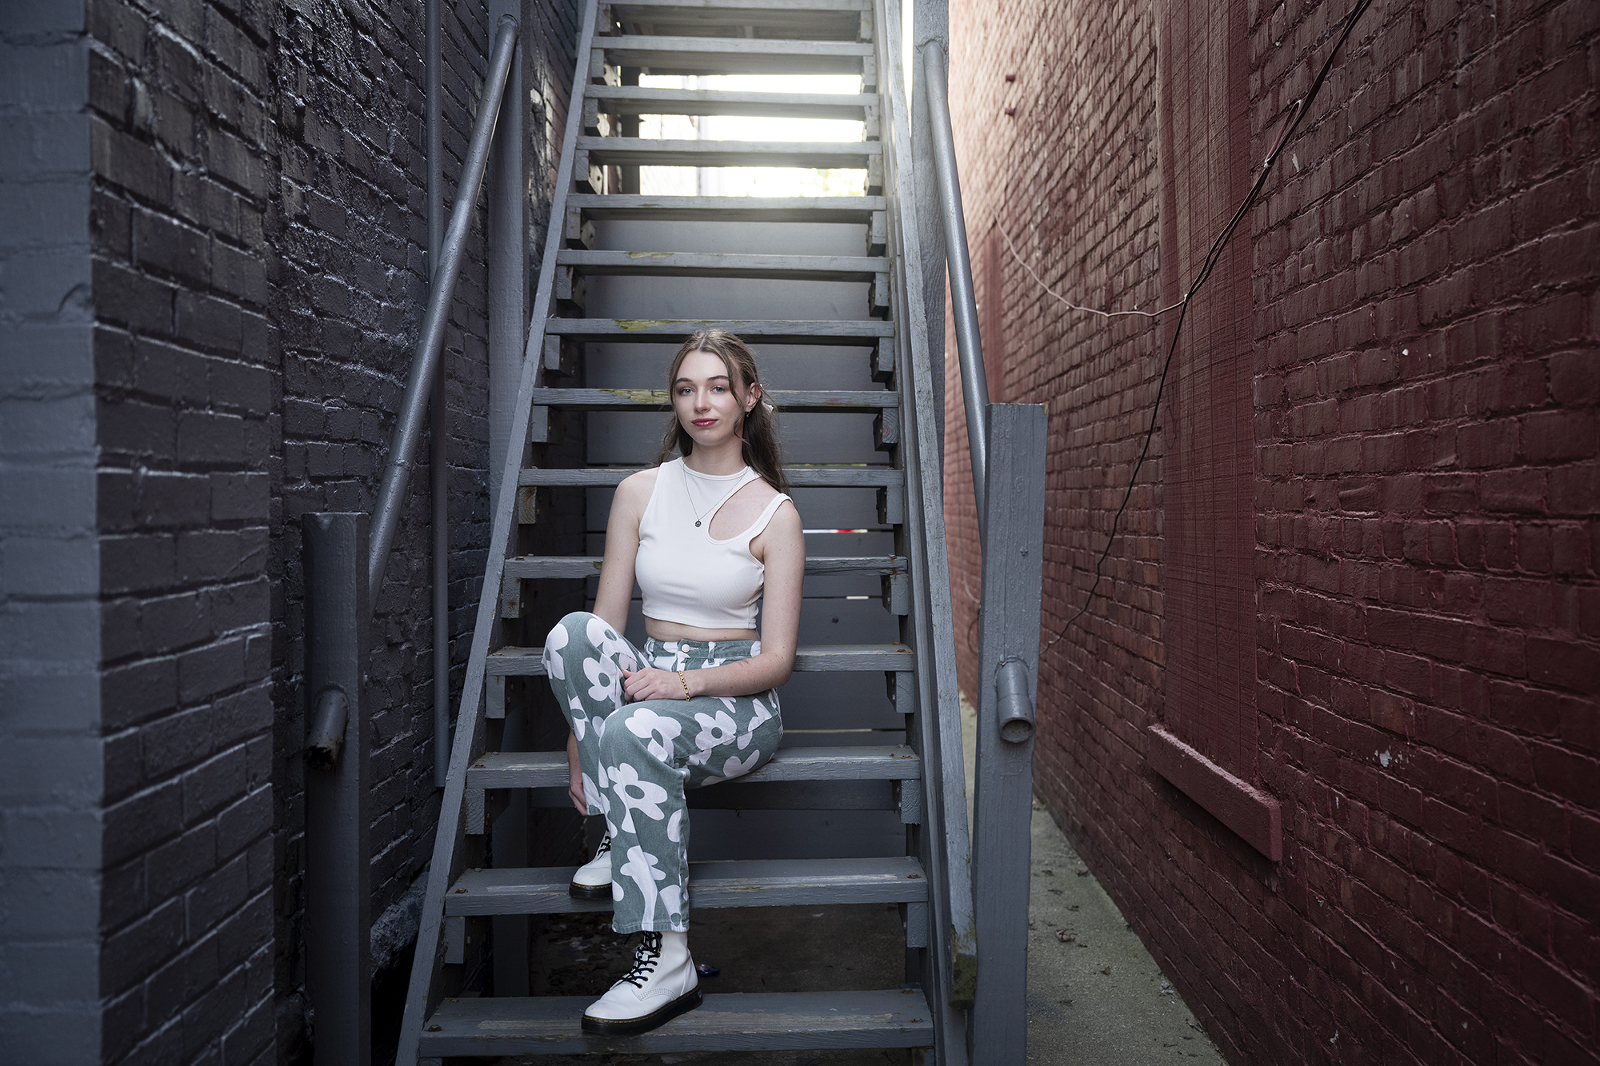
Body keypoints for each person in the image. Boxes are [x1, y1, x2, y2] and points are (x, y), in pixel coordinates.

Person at [540, 329, 804, 1035]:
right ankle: (617, 823)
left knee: (634, 726)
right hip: (648, 677)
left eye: (719, 387)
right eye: (686, 389)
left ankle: (668, 960)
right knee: (569, 634)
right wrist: (580, 740)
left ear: (749, 398)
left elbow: (777, 659)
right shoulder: (640, 492)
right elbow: (603, 628)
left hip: (734, 699)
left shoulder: (776, 514)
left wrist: (684, 686)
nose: (701, 402)